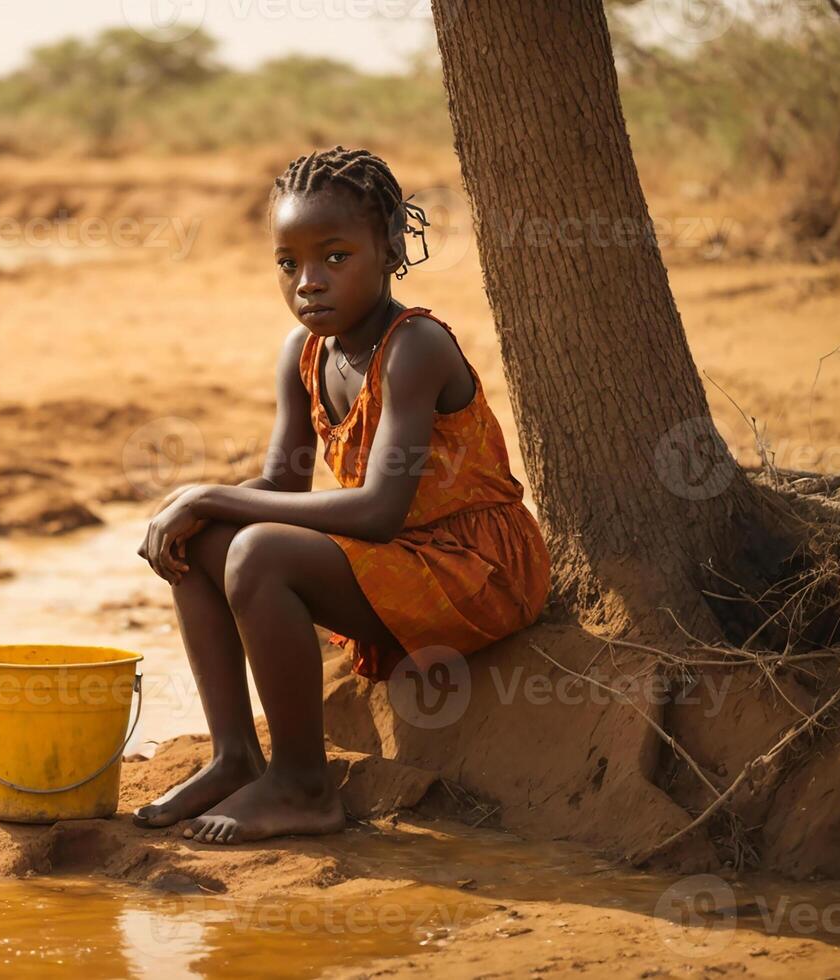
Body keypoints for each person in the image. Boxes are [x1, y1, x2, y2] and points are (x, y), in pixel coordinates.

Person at [133, 146, 551, 844]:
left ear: (389, 249)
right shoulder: (304, 353)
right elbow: (280, 484)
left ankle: (303, 787)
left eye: (334, 257)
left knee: (257, 551)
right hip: (404, 559)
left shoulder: (414, 346)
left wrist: (210, 490)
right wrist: (203, 507)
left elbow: (378, 512)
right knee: (202, 539)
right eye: (288, 264)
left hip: (478, 567)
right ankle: (235, 754)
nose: (308, 283)